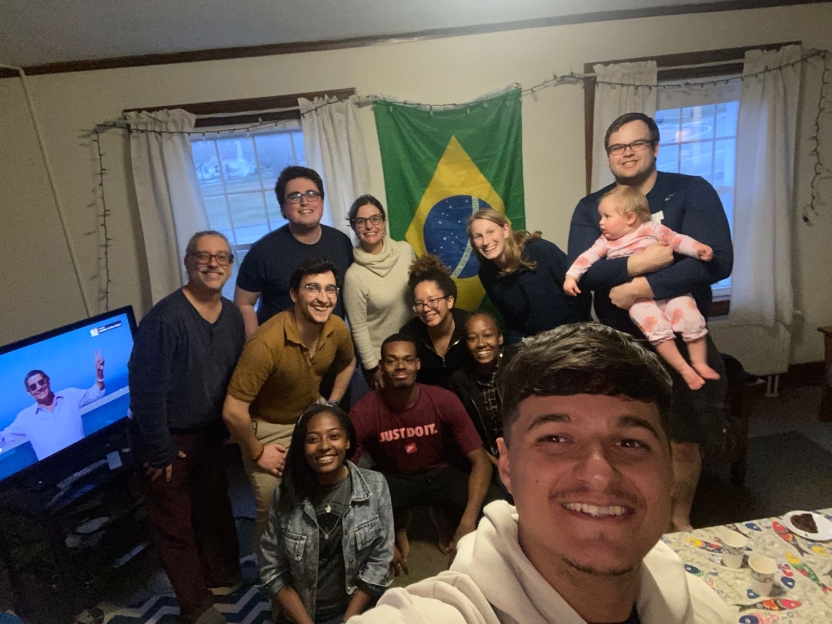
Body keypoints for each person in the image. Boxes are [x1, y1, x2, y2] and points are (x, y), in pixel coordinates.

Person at [349, 323, 734, 624]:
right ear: (509, 466)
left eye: (630, 442)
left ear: (670, 466)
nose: (599, 476)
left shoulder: (706, 607)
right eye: (556, 438)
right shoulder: (447, 612)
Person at [568, 112, 733, 532]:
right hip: (618, 344)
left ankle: (677, 521)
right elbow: (585, 273)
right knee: (622, 440)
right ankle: (632, 519)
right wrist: (647, 260)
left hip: (681, 332)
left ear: (655, 148)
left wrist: (636, 288)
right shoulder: (594, 207)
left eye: (636, 144)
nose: (626, 153)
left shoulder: (691, 190)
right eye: (617, 147)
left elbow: (715, 261)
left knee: (683, 438)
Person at [128, 230, 245, 624]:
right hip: (168, 439)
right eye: (203, 256)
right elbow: (145, 393)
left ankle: (222, 575)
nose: (213, 264)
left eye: (222, 257)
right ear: (187, 261)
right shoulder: (164, 320)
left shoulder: (230, 314)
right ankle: (195, 605)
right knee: (174, 525)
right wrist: (159, 449)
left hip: (210, 434)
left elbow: (232, 375)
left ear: (230, 264)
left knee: (214, 507)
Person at [223, 258, 356, 538]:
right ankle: (271, 576)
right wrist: (257, 452)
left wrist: (330, 405)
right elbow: (233, 411)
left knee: (328, 487)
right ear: (294, 294)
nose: (323, 298)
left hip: (310, 413)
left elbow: (348, 363)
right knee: (274, 504)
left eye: (330, 289)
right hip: (267, 427)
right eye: (313, 288)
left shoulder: (336, 328)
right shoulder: (265, 343)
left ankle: (317, 552)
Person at [349, 334, 492, 575]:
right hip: (393, 478)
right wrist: (380, 539)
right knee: (354, 507)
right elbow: (344, 475)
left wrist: (467, 523)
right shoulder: (364, 410)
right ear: (381, 367)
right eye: (392, 361)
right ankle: (398, 522)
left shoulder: (442, 400)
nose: (400, 366)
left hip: (440, 473)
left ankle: (443, 515)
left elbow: (481, 462)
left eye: (407, 360)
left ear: (417, 364)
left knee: (491, 505)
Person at [565, 185, 720, 391]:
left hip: (669, 290)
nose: (600, 222)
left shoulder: (651, 229)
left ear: (630, 218)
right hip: (637, 300)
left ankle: (699, 362)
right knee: (656, 329)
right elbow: (586, 258)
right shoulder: (605, 242)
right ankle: (683, 368)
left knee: (690, 318)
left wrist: (697, 249)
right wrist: (571, 276)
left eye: (606, 216)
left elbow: (676, 240)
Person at [260, 404, 394, 624]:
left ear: (348, 441)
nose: (324, 446)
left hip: (355, 609)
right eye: (313, 439)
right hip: (301, 613)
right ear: (302, 447)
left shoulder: (375, 486)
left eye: (334, 436)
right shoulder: (285, 494)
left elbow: (380, 561)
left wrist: (349, 619)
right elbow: (272, 569)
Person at [234, 165, 353, 337]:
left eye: (312, 194)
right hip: (281, 353)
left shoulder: (341, 242)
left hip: (331, 348)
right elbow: (243, 303)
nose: (305, 201)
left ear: (322, 202)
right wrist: (255, 348)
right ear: (282, 208)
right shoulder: (263, 251)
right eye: (294, 197)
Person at [467, 209, 590, 344]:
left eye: (491, 231)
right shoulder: (486, 273)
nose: (486, 241)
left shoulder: (540, 250)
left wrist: (570, 337)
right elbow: (510, 319)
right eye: (478, 236)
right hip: (537, 347)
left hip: (576, 337)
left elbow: (582, 294)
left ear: (506, 230)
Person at [343, 194, 416, 389]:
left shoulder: (405, 251)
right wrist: (372, 367)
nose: (369, 226)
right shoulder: (354, 276)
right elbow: (358, 327)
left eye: (375, 219)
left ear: (384, 222)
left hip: (414, 349)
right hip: (385, 360)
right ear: (354, 227)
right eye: (361, 221)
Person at [1, 356, 105, 461]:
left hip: (84, 460)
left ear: (48, 381)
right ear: (29, 392)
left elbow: (95, 393)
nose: (39, 387)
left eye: (41, 382)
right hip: (55, 473)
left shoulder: (69, 396)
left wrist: (99, 373)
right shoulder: (25, 418)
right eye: (33, 387)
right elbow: (3, 439)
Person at [449, 312, 516, 465]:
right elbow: (468, 434)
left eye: (487, 335)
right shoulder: (461, 381)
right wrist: (497, 464)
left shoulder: (518, 364)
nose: (480, 344)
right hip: (492, 460)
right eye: (472, 338)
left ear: (500, 338)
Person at [399, 255, 472, 388]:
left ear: (449, 301)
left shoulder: (470, 326)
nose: (426, 309)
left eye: (432, 300)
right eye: (419, 303)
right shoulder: (409, 335)